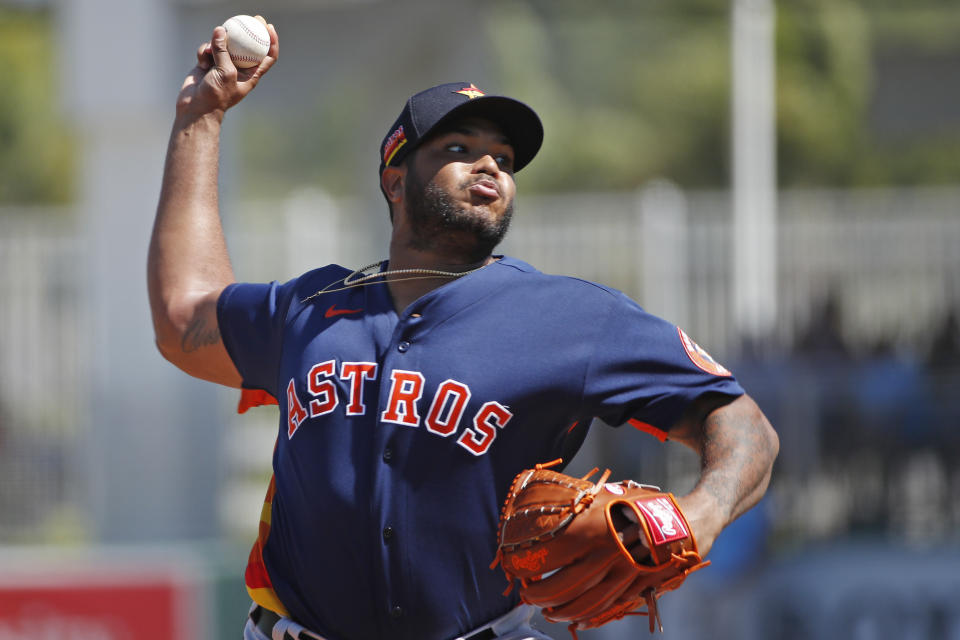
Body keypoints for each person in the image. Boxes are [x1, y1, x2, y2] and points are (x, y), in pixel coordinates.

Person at [148, 18, 779, 640]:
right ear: (395, 181)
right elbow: (183, 320)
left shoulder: (570, 318)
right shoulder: (312, 308)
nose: (489, 165)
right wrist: (199, 119)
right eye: (457, 148)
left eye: (503, 157)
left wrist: (701, 514)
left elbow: (746, 425)